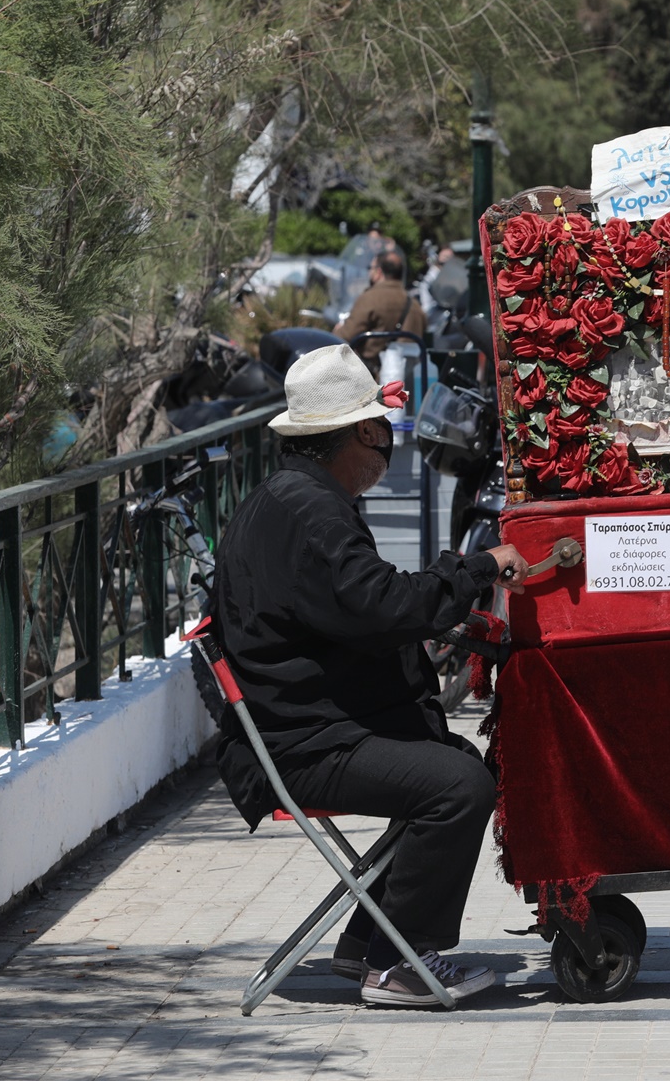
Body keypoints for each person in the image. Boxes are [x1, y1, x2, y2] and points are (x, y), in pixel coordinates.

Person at [212, 344, 529, 1008]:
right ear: (361, 432)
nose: (387, 452)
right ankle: (397, 964)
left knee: (446, 761)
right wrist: (474, 569)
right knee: (458, 785)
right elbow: (384, 606)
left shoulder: (286, 498)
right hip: (300, 747)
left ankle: (367, 942)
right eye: (383, 435)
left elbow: (358, 610)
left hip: (289, 732)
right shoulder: (315, 514)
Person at [336, 249, 426, 374]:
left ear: (378, 272)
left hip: (374, 381)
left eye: (370, 268)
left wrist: (338, 329)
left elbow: (344, 337)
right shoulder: (415, 305)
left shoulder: (369, 298)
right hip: (410, 378)